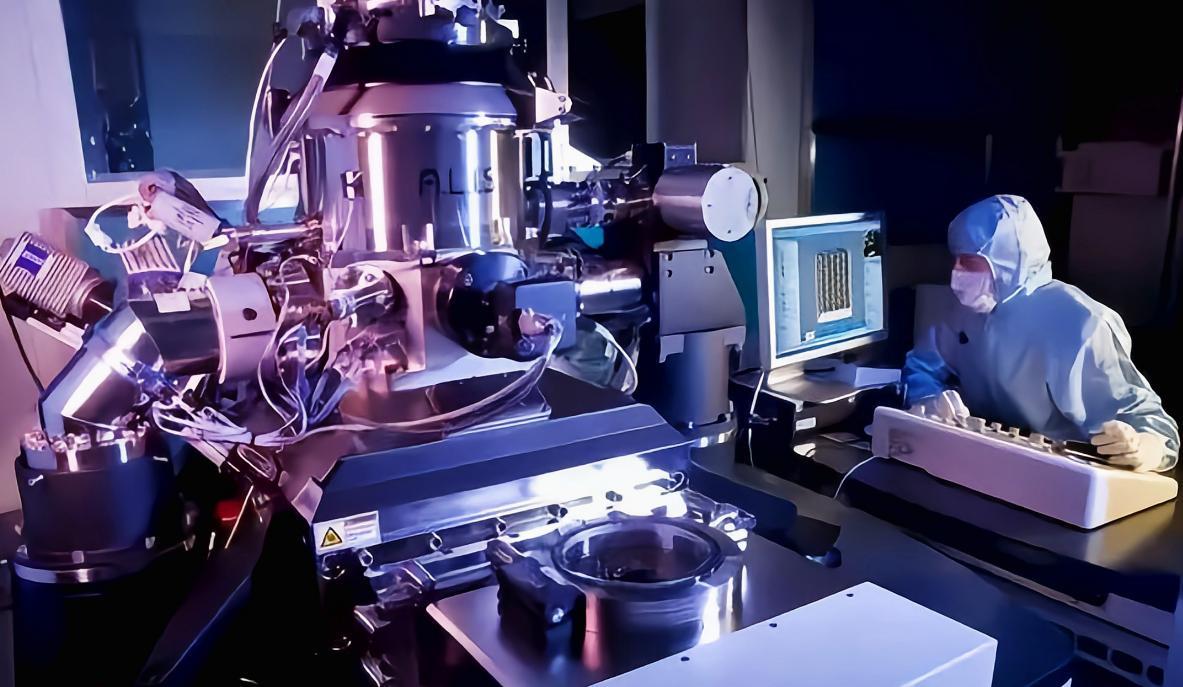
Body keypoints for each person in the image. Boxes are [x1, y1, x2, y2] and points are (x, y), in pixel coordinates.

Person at [904, 195, 1179, 472]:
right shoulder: (966, 309)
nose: (956, 273)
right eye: (956, 259)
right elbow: (922, 366)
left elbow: (1149, 423)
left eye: (969, 261)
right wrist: (928, 401)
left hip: (1059, 470)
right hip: (978, 457)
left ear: (1007, 261)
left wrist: (1145, 446)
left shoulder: (1080, 324)